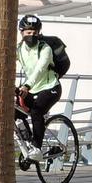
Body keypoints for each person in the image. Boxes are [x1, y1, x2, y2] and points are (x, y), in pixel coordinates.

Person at [15, 14, 69, 156]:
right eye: (28, 32)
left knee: (36, 112)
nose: (31, 35)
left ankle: (37, 148)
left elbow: (40, 69)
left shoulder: (45, 49)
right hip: (31, 89)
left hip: (50, 87)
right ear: (21, 32)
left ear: (39, 33)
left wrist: (26, 86)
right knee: (14, 113)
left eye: (34, 33)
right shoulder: (19, 49)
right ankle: (27, 143)